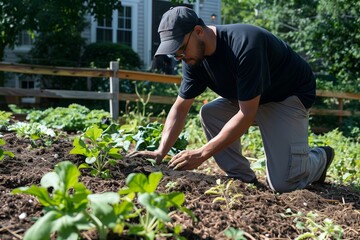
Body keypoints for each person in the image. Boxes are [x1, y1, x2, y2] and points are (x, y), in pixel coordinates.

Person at [128, 6, 334, 193]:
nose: (179, 56)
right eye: (175, 54)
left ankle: (320, 158)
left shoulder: (245, 44)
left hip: (287, 96)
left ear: (199, 31)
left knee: (284, 184)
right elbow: (180, 108)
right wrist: (160, 152)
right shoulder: (192, 59)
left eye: (181, 49)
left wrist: (202, 153)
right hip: (251, 98)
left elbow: (246, 114)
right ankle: (242, 178)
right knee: (210, 113)